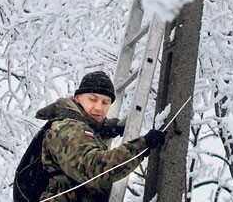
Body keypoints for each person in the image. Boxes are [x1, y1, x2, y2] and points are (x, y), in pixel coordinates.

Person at [37, 71, 165, 201]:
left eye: (105, 102)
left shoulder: (76, 126)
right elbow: (94, 169)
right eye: (93, 99)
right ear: (77, 98)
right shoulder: (68, 128)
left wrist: (105, 127)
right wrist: (141, 145)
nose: (98, 107)